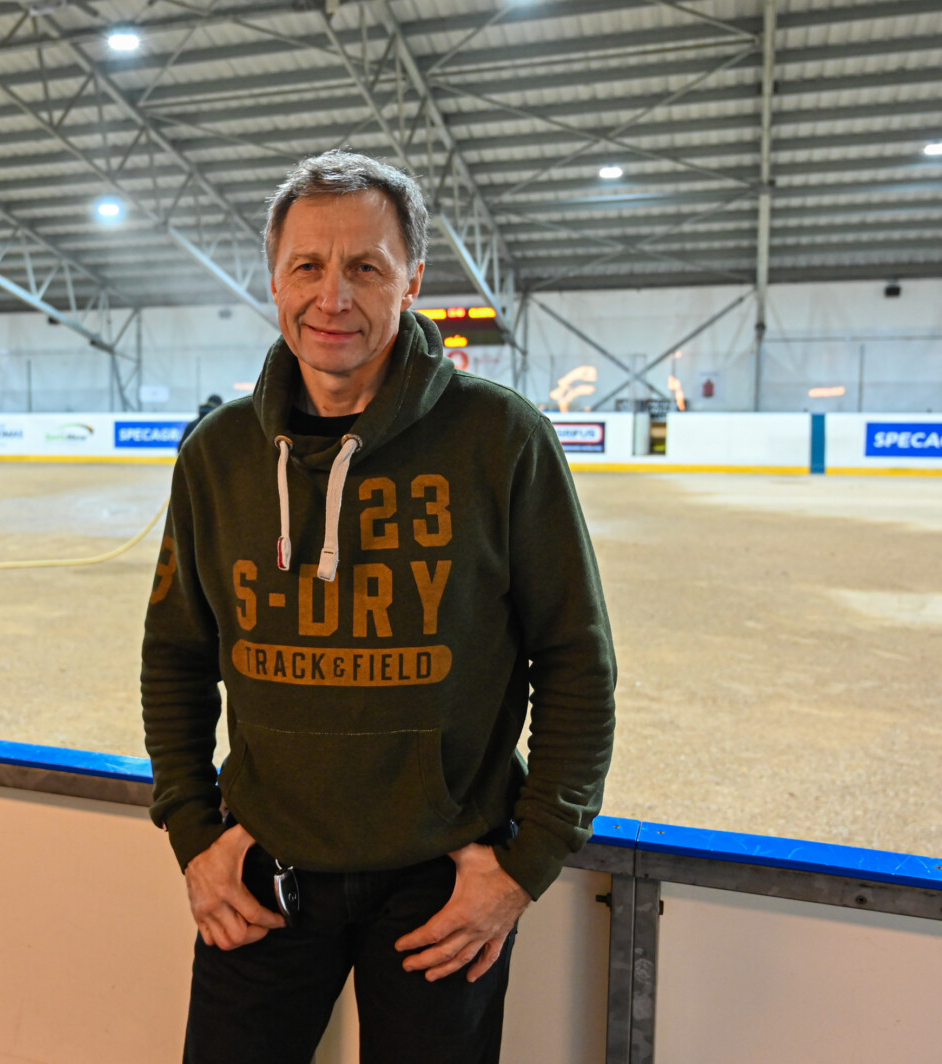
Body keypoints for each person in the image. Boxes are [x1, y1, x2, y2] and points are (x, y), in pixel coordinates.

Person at [141, 150, 616, 1064]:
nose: (333, 297)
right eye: (307, 267)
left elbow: (573, 660)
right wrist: (193, 834)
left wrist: (525, 867)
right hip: (259, 876)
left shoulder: (501, 438)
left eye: (365, 266)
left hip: (444, 889)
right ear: (273, 277)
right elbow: (174, 657)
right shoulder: (217, 455)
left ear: (412, 281)